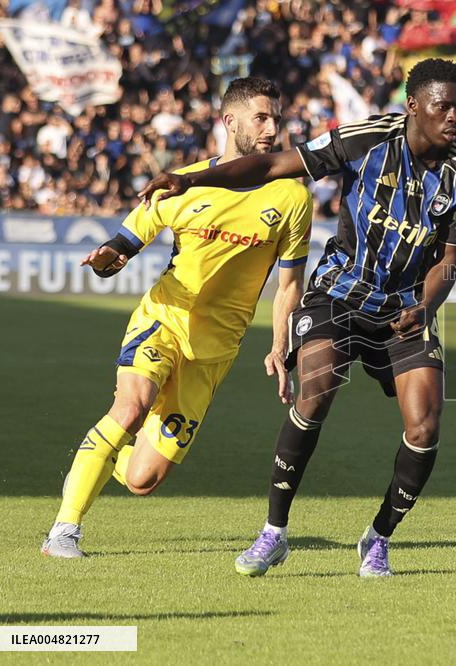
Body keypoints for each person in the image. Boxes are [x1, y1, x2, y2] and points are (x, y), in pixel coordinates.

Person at [139, 58, 456, 577]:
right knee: (316, 391)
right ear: (413, 105)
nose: (455, 116)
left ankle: (378, 538)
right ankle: (274, 533)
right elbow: (271, 166)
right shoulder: (365, 140)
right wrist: (193, 180)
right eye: (444, 106)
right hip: (338, 294)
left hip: (404, 310)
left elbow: (449, 260)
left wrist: (425, 306)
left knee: (426, 425)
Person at [41, 78, 313, 558]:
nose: (273, 128)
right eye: (262, 118)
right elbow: (122, 246)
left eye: (276, 118)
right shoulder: (181, 183)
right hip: (164, 318)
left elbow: (288, 285)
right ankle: (64, 530)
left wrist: (279, 345)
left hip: (214, 350)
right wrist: (106, 258)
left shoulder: (291, 198)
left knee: (143, 479)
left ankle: (98, 454)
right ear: (230, 122)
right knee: (130, 407)